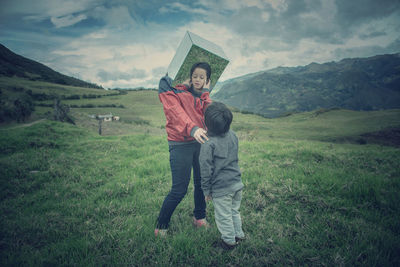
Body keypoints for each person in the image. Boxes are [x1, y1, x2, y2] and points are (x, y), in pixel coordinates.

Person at [155, 62, 213, 237]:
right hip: (180, 143)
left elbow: (208, 114)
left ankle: (199, 218)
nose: (197, 79)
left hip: (199, 142)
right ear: (189, 75)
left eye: (201, 77)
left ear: (207, 80)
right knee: (179, 189)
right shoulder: (173, 89)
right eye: (194, 76)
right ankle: (161, 227)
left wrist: (206, 94)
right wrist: (193, 128)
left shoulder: (202, 94)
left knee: (201, 184)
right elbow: (175, 112)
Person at [199, 101, 245, 249]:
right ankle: (239, 235)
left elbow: (205, 170)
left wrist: (206, 190)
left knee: (223, 217)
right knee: (234, 211)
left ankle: (229, 242)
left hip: (222, 189)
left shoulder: (208, 143)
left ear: (207, 123)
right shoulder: (233, 135)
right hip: (237, 183)